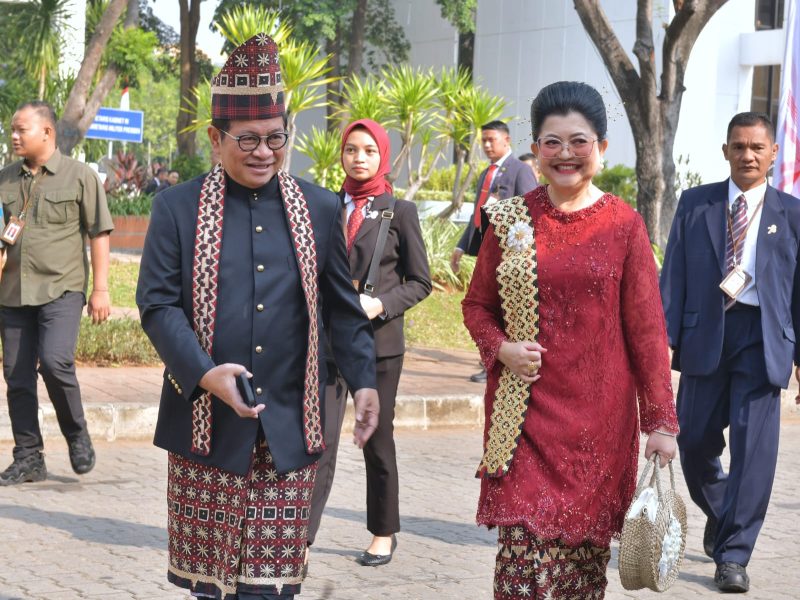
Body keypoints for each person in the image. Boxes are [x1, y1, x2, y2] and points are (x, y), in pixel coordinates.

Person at [135, 34, 380, 600]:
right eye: (248, 140)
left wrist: (364, 380)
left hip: (291, 425)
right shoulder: (176, 207)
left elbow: (342, 311)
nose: (264, 152)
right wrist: (202, 373)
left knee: (270, 589)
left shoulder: (319, 207)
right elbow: (158, 304)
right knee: (211, 587)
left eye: (276, 139)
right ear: (216, 139)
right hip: (208, 428)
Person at [462, 81, 679, 599]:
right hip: (524, 420)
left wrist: (661, 423)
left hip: (596, 429)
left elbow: (648, 332)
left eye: (579, 142)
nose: (565, 155)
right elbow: (477, 306)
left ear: (601, 149)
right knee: (520, 567)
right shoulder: (512, 221)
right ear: (535, 150)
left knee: (578, 576)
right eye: (551, 142)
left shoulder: (625, 225)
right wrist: (502, 350)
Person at [660, 111, 800, 594]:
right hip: (706, 336)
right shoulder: (696, 203)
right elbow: (673, 272)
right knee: (693, 441)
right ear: (725, 151)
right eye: (738, 146)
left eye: (757, 147)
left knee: (754, 453)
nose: (748, 155)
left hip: (763, 341)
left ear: (772, 154)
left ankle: (734, 556)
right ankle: (722, 513)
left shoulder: (793, 214)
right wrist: (663, 336)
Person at [306, 119, 431, 567]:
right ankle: (301, 536)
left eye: (368, 151)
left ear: (383, 156)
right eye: (351, 150)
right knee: (316, 440)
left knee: (376, 439)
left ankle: (383, 531)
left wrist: (379, 305)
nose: (358, 158)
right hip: (325, 342)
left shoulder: (400, 211)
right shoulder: (322, 206)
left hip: (378, 346)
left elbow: (420, 282)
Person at [0, 101, 113, 485]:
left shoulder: (80, 176)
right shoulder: (5, 180)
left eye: (21, 130)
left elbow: (98, 233)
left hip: (62, 288)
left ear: (46, 132)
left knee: (54, 362)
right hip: (13, 292)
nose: (14, 136)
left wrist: (100, 288)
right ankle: (29, 457)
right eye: (12, 130)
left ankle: (76, 434)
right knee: (16, 376)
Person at [451, 121, 538, 383]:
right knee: (484, 307)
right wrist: (462, 245)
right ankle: (489, 360)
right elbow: (478, 214)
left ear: (506, 140)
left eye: (492, 139)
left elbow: (532, 212)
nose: (487, 145)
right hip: (485, 255)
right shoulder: (486, 174)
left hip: (509, 257)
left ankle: (496, 363)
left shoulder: (520, 170)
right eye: (484, 140)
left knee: (502, 310)